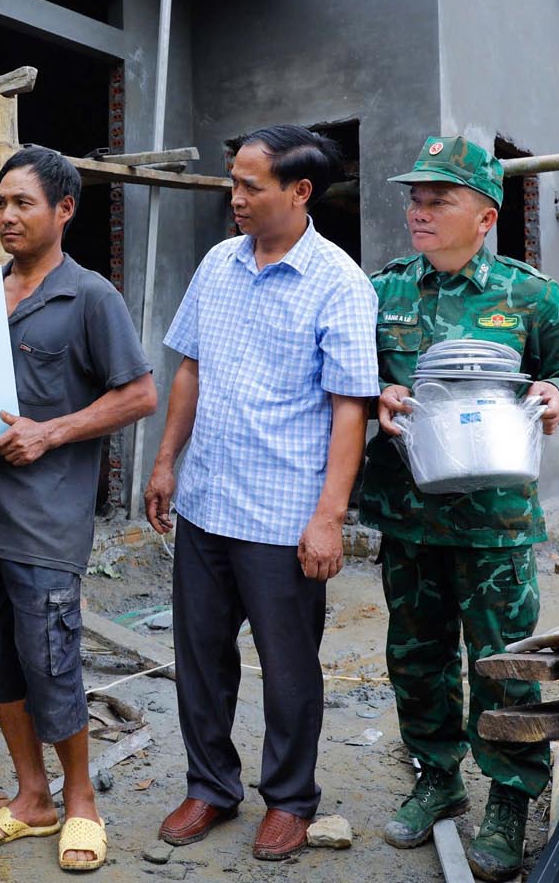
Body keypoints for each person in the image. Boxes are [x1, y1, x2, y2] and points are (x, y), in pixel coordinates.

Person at [361, 135, 559, 881]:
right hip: (409, 513)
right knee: (417, 656)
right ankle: (436, 776)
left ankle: (509, 796)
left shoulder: (527, 294)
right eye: (415, 199)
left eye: (439, 199)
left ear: (486, 216)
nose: (419, 211)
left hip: (495, 520)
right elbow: (345, 376)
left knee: (504, 663)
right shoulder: (383, 291)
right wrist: (376, 393)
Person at [143, 124, 378, 861]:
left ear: (300, 191)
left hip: (283, 514)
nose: (235, 197)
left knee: (288, 668)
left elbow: (351, 407)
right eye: (233, 182)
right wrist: (166, 462)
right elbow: (190, 368)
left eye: (250, 186)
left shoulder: (339, 283)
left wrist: (329, 518)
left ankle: (290, 799)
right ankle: (211, 786)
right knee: (200, 657)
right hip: (208, 500)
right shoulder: (218, 263)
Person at [0, 147, 156, 873]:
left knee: (52, 662)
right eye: (0, 202)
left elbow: (139, 395)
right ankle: (31, 798)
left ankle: (81, 802)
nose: (7, 215)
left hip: (43, 523)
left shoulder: (90, 297)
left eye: (23, 203)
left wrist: (51, 431)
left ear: (64, 210)